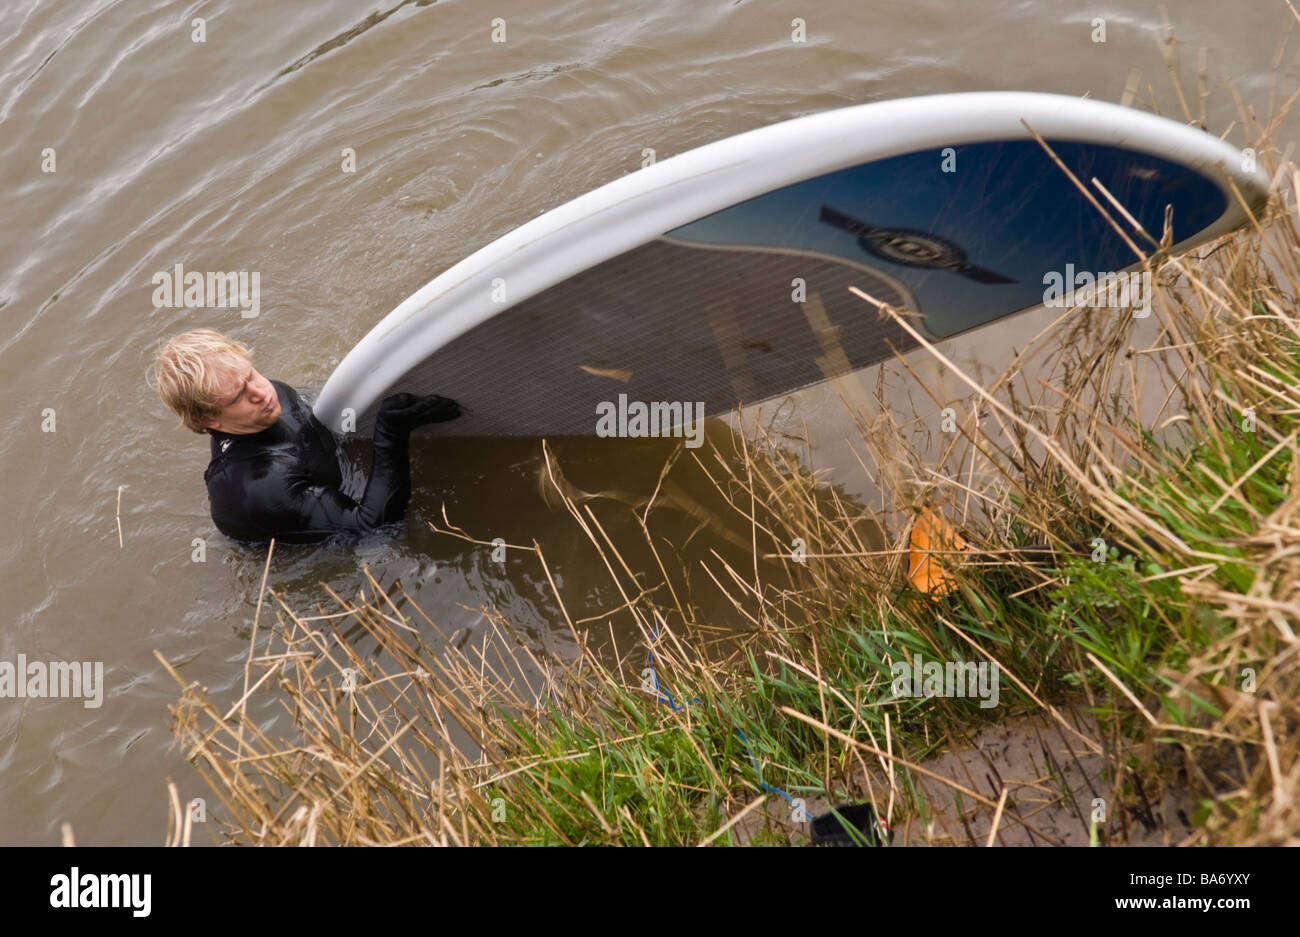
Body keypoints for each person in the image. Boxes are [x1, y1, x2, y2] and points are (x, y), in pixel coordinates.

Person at [150, 329, 459, 544]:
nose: (261, 392)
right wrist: (391, 433)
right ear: (207, 419)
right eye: (238, 396)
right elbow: (372, 530)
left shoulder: (270, 394)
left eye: (251, 374)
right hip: (295, 539)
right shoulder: (261, 486)